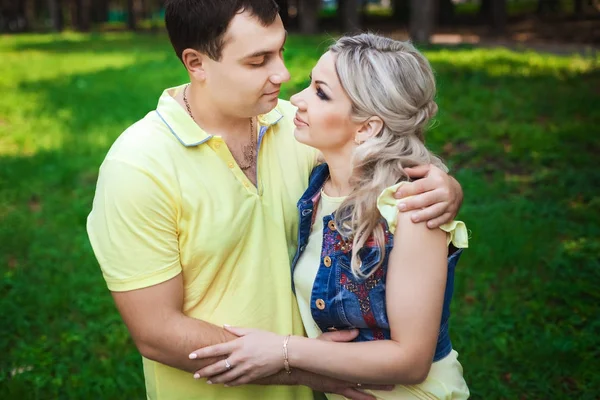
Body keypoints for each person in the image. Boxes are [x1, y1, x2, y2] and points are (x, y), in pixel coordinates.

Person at [86, 0, 464, 398]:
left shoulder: (296, 128)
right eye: (258, 60)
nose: (282, 73)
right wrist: (299, 367)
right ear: (196, 63)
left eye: (281, 50)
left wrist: (443, 186)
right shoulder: (139, 166)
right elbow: (156, 332)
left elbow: (381, 160)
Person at [188, 34, 470, 399]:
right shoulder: (319, 185)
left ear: (367, 127)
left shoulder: (410, 209)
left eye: (320, 93)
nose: (296, 100)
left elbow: (411, 361)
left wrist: (283, 351)